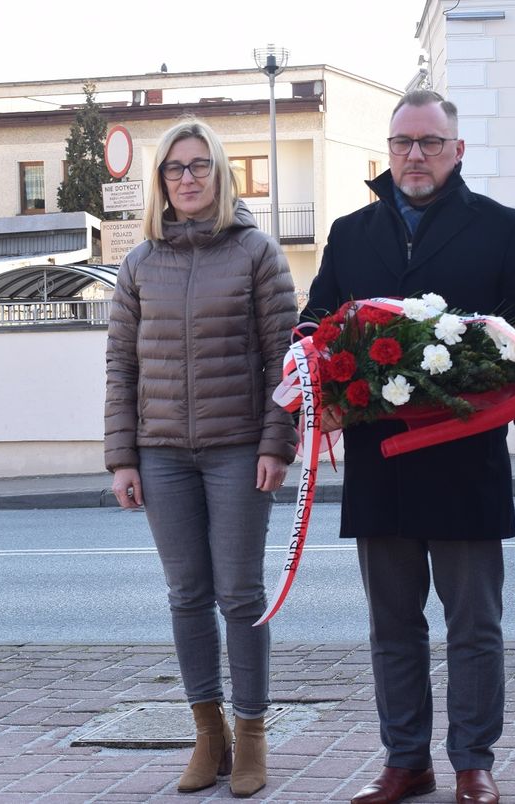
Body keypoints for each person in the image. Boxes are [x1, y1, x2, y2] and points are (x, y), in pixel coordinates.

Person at [303, 89, 515, 804]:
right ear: (387, 152)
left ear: (458, 150)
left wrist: (476, 366)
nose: (415, 156)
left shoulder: (504, 229)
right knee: (393, 625)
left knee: (473, 622)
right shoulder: (352, 234)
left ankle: (473, 760)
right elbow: (314, 324)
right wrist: (317, 383)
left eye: (430, 143)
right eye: (403, 144)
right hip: (378, 463)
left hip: (465, 459)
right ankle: (405, 760)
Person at [104, 118, 297, 798]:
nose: (187, 178)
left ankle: (251, 735)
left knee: (240, 596)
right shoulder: (138, 263)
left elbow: (285, 362)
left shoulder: (257, 253)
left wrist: (278, 442)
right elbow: (120, 368)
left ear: (220, 174)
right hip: (160, 454)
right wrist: (121, 458)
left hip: (240, 451)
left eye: (199, 166)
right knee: (186, 596)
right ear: (160, 181)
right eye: (174, 168)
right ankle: (206, 733)